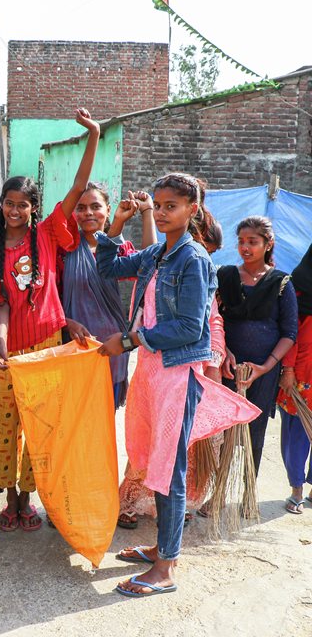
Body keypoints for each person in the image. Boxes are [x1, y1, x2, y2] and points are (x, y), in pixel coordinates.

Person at [97, 172, 256, 597]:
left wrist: (129, 340)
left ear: (193, 210)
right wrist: (119, 222)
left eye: (172, 206)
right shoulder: (156, 254)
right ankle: (160, 548)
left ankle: (166, 567)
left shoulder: (194, 260)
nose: (163, 212)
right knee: (153, 461)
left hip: (176, 373)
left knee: (170, 468)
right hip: (151, 370)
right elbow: (108, 266)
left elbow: (190, 328)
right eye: (160, 204)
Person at [0, 108, 100, 532]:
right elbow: (0, 305)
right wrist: (4, 348)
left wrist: (94, 134)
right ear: (2, 206)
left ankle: (30, 501)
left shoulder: (48, 233)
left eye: (23, 205)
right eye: (9, 204)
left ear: (34, 207)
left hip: (48, 346)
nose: (15, 210)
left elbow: (79, 185)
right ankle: (10, 500)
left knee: (41, 427)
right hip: (7, 352)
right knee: (4, 426)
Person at [117, 202, 226, 529]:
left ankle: (173, 516)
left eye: (209, 250)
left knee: (178, 449)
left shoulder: (199, 268)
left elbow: (209, 321)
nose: (203, 255)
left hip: (183, 370)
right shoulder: (158, 265)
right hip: (152, 368)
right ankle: (136, 500)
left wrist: (215, 357)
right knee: (145, 436)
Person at [60, 184, 156, 408]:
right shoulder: (64, 249)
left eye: (95, 206)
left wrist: (147, 213)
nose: (88, 213)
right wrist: (66, 321)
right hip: (74, 345)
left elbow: (151, 262)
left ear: (108, 209)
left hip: (111, 347)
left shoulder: (120, 250)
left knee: (102, 425)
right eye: (81, 208)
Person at [217, 216, 297, 476]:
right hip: (228, 366)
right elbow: (214, 320)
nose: (245, 247)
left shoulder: (281, 282)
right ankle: (214, 491)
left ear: (268, 244)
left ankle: (247, 490)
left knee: (256, 429)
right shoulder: (225, 276)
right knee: (222, 427)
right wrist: (225, 352)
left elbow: (289, 333)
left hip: (263, 370)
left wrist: (265, 367)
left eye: (252, 241)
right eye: (241, 241)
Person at [277, 244, 312, 513]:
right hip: (301, 376)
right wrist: (287, 370)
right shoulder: (301, 287)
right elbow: (289, 333)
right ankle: (296, 489)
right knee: (297, 432)